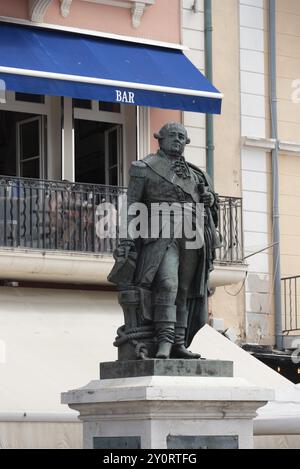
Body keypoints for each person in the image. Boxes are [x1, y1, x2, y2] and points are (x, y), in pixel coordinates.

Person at [109, 122, 220, 360]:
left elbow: (211, 208)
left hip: (193, 234)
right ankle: (164, 342)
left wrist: (209, 200)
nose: (178, 140)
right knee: (167, 285)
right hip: (161, 233)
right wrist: (127, 239)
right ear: (160, 139)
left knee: (184, 290)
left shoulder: (197, 174)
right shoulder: (144, 168)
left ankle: (179, 344)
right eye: (173, 136)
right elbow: (131, 205)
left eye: (182, 137)